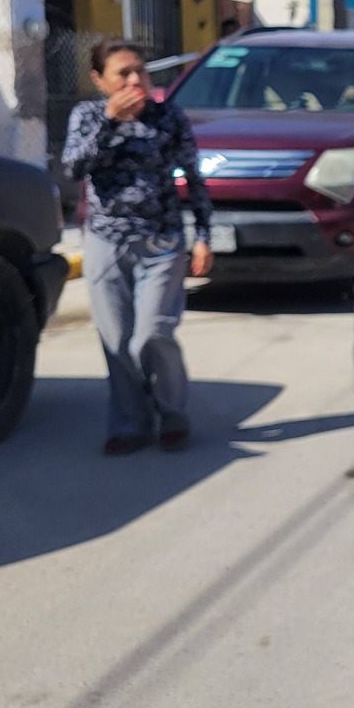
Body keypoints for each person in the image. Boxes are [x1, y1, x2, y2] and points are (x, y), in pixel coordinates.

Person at [61, 39, 214, 455]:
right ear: (99, 80)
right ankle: (130, 424)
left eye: (140, 71)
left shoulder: (168, 117)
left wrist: (202, 236)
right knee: (116, 338)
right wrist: (110, 122)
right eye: (123, 74)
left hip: (161, 238)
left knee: (152, 333)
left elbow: (193, 179)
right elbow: (74, 167)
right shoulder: (88, 115)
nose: (134, 80)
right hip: (106, 241)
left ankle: (173, 413)